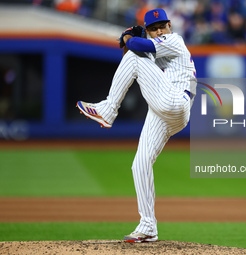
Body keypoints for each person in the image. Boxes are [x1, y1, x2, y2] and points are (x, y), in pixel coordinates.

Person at [76, 8, 197, 243]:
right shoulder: (153, 48)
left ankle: (108, 110)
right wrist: (126, 41)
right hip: (164, 110)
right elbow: (129, 60)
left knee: (134, 55)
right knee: (139, 165)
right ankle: (148, 226)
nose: (159, 30)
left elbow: (136, 49)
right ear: (149, 31)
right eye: (153, 28)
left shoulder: (174, 40)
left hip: (175, 101)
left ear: (170, 25)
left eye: (162, 25)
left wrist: (128, 38)